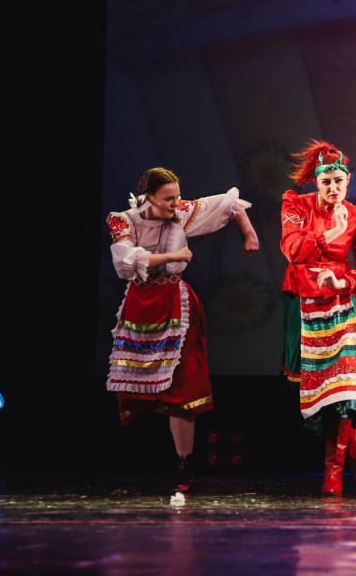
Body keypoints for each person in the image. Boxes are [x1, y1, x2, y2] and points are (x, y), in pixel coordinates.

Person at [106, 167, 260, 492]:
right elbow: (125, 262)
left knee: (182, 389)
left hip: (176, 304)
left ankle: (184, 464)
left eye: (177, 196)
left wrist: (249, 234)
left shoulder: (182, 212)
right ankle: (147, 456)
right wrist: (176, 254)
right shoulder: (124, 220)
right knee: (136, 390)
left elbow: (230, 204)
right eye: (168, 198)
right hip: (141, 305)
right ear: (148, 197)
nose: (176, 203)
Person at [281, 140, 356, 495]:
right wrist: (330, 233)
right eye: (326, 182)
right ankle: (352, 440)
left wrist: (345, 281)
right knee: (310, 387)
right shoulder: (295, 205)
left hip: (343, 304)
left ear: (348, 180)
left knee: (345, 388)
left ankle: (333, 470)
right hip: (304, 305)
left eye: (339, 181)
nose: (333, 188)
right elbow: (292, 249)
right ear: (316, 182)